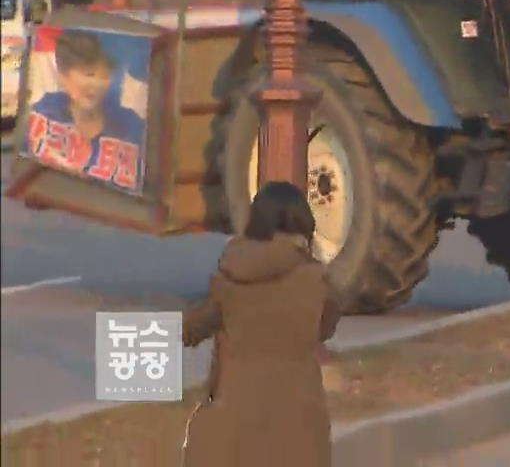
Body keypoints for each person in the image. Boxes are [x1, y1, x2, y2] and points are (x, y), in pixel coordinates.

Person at [183, 181, 341, 467]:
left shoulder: (229, 273)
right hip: (297, 430)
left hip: (232, 428)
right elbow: (325, 328)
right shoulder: (317, 281)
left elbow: (191, 329)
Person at [28, 30, 145, 186]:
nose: (96, 84)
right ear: (64, 77)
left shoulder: (131, 126)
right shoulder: (44, 112)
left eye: (104, 76)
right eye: (89, 74)